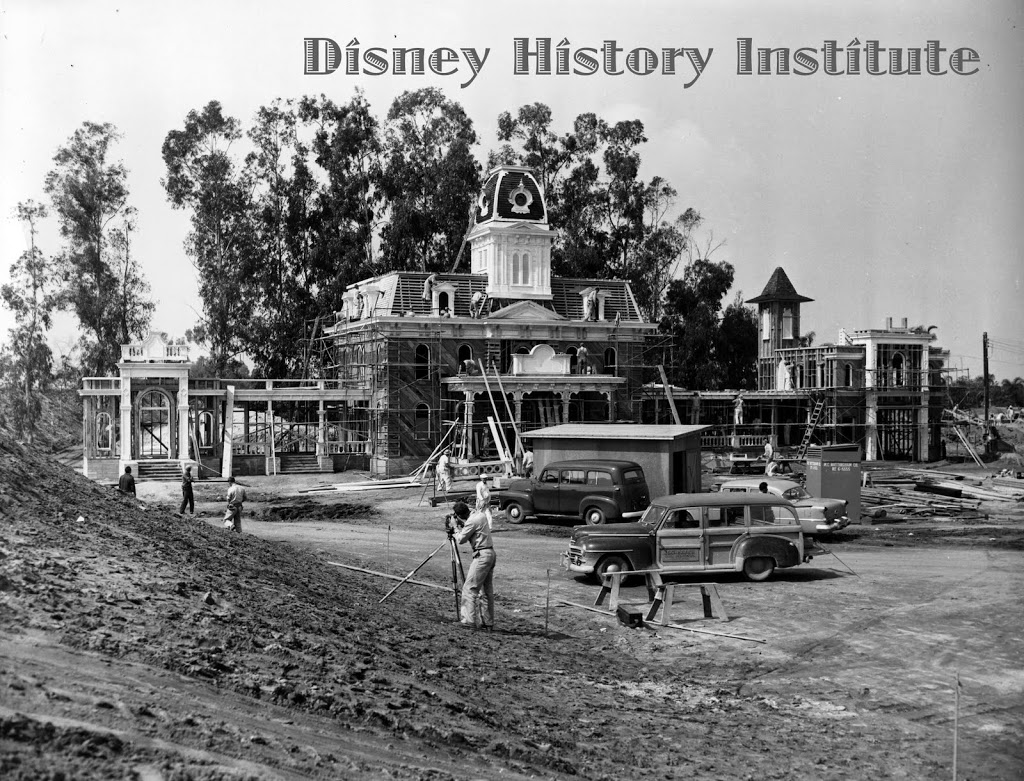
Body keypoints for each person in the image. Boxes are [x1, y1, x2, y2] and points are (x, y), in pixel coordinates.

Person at [449, 500, 495, 629]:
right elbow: (472, 526)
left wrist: (455, 527)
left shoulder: (471, 521)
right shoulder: (479, 515)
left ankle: (468, 620)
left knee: (469, 589)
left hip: (481, 556)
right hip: (490, 553)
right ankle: (488, 622)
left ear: (459, 515)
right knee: (486, 591)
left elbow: (461, 539)